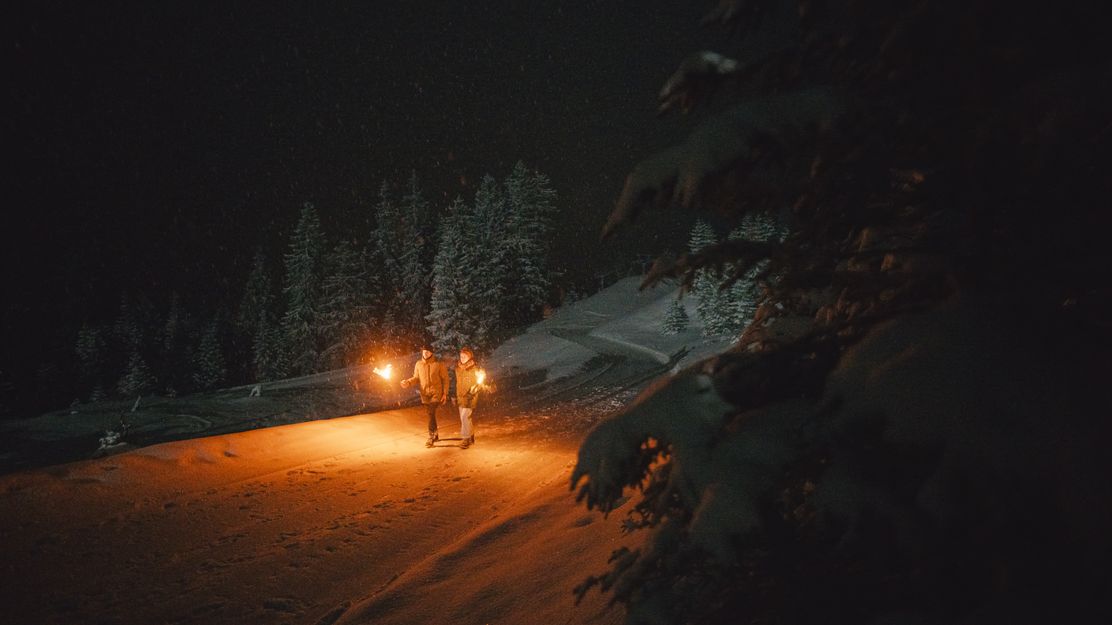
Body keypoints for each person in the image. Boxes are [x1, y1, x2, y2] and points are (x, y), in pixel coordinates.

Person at [400, 343, 448, 447]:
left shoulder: (438, 364)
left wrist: (445, 393)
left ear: (431, 352)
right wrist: (408, 382)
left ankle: (431, 436)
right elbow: (416, 378)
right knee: (431, 414)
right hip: (425, 394)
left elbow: (445, 379)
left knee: (431, 412)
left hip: (436, 393)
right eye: (424, 351)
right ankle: (435, 434)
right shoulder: (418, 364)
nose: (425, 353)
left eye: (427, 351)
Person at [452, 346, 484, 449]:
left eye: (464, 356)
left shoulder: (475, 368)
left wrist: (476, 389)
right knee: (465, 418)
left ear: (469, 357)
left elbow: (481, 381)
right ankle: (471, 435)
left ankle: (466, 439)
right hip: (461, 396)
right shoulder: (458, 369)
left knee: (464, 417)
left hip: (470, 397)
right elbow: (455, 383)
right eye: (461, 356)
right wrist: (453, 395)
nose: (462, 358)